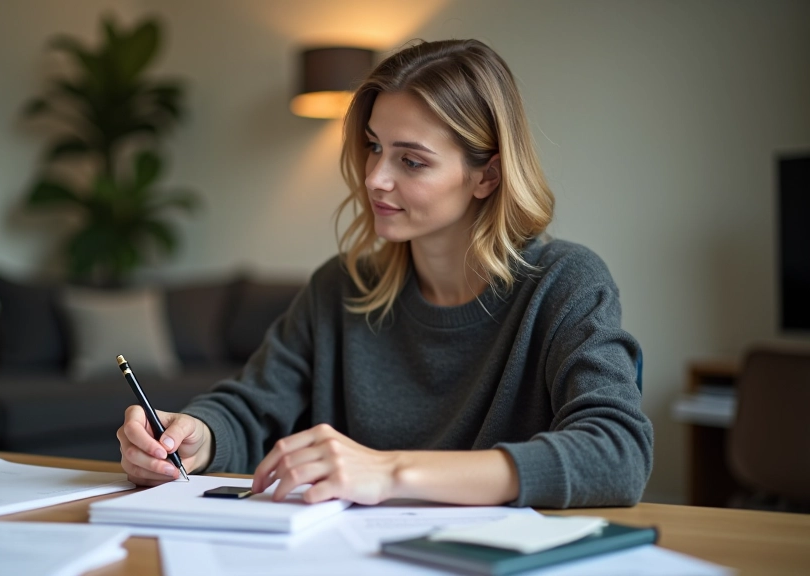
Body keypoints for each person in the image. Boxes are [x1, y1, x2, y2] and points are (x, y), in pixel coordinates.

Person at [117, 39, 653, 509]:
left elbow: (617, 453)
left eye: (411, 161)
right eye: (374, 146)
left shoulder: (564, 283)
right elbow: (253, 406)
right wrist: (197, 435)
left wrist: (390, 471)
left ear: (486, 176)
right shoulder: (339, 287)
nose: (375, 177)